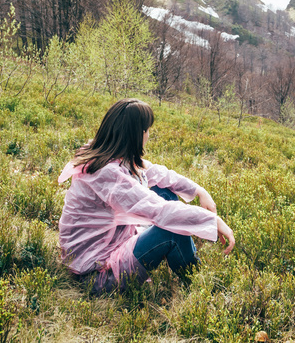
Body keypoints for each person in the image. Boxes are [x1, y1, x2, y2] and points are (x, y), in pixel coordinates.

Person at [57, 98, 235, 294]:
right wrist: (213, 220)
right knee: (172, 229)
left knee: (164, 191)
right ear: (137, 134)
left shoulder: (104, 154)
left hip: (106, 249)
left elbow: (154, 172)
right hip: (96, 274)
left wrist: (198, 191)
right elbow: (160, 211)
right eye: (147, 130)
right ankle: (201, 286)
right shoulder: (107, 174)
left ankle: (189, 265)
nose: (149, 135)